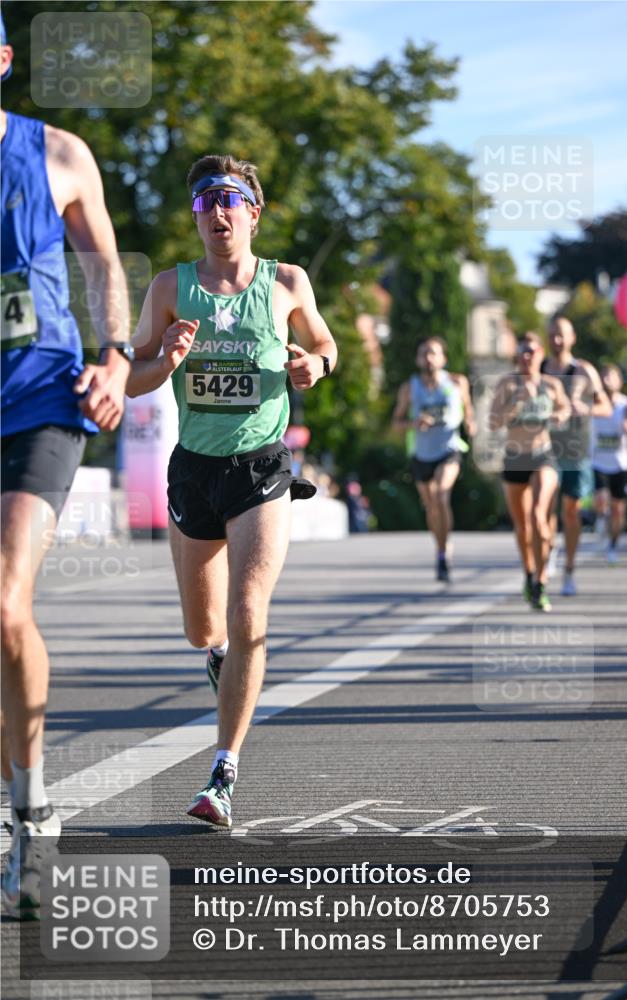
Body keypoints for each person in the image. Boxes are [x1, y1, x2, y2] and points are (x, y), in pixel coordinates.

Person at [126, 155, 337, 829]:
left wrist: (314, 365)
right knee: (203, 627)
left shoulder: (287, 283)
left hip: (262, 469)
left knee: (249, 614)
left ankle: (223, 772)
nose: (216, 212)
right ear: (195, 216)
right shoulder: (168, 287)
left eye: (229, 199)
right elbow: (130, 379)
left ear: (252, 211)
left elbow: (326, 346)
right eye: (204, 202)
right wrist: (167, 360)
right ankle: (215, 657)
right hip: (193, 470)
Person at [1, 19, 131, 919]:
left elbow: (106, 265)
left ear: (2, 60)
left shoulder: (57, 151)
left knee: (4, 602)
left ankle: (33, 812)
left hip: (43, 400)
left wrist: (118, 356)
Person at [489, 332, 570, 611]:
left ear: (541, 355)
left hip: (542, 455)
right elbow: (493, 423)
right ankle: (528, 571)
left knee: (538, 516)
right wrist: (516, 403)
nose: (527, 356)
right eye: (523, 351)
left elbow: (565, 408)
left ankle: (541, 581)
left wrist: (561, 415)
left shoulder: (551, 384)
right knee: (522, 526)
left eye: (532, 351)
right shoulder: (507, 384)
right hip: (514, 458)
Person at [392, 336, 475, 582]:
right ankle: (440, 548)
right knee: (431, 506)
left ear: (443, 358)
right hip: (421, 453)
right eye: (424, 353)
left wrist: (471, 423)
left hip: (449, 449)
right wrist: (413, 423)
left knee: (441, 494)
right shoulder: (410, 388)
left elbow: (468, 411)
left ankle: (443, 549)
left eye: (433, 353)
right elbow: (396, 423)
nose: (428, 358)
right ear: (418, 359)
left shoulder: (457, 382)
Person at [541, 317, 611, 596]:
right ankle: (549, 547)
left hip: (576, 450)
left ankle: (569, 568)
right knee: (542, 508)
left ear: (572, 338)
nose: (556, 340)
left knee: (571, 511)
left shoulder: (583, 371)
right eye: (552, 335)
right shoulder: (540, 368)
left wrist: (586, 408)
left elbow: (605, 406)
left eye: (561, 335)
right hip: (545, 449)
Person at [590, 364, 627, 563]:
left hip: (620, 463)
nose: (606, 380)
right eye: (603, 376)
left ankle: (613, 545)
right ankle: (600, 517)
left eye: (610, 376)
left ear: (619, 381)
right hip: (597, 461)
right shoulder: (593, 403)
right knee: (600, 498)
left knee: (618, 509)